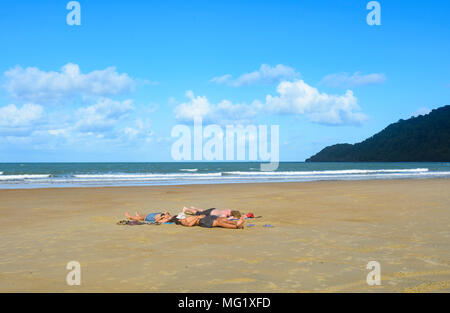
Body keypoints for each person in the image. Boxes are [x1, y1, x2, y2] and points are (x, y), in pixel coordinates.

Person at [169, 214, 245, 229]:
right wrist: (197, 217)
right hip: (202, 222)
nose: (182, 215)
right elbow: (189, 225)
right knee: (218, 223)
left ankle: (237, 223)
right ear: (178, 219)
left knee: (221, 219)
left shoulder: (185, 218)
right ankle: (236, 226)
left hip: (204, 218)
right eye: (180, 216)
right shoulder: (182, 221)